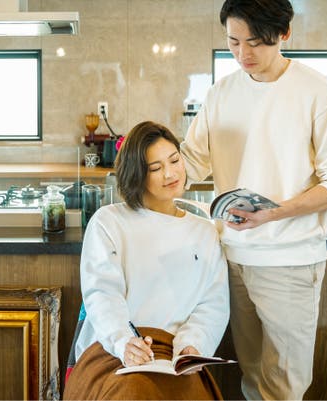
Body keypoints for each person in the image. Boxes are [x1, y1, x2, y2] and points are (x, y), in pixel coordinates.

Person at [180, 0, 327, 400]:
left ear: (284, 34)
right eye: (233, 42)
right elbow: (191, 162)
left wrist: (276, 213)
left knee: (283, 383)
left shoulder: (317, 92)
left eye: (256, 42)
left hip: (290, 260)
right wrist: (152, 165)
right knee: (249, 373)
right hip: (232, 257)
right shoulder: (221, 93)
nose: (243, 54)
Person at [63, 121, 230, 400]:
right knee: (134, 393)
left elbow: (213, 304)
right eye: (155, 168)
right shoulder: (108, 222)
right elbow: (102, 294)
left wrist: (193, 346)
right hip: (114, 353)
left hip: (175, 357)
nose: (170, 173)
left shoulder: (205, 232)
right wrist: (124, 342)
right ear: (137, 174)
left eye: (174, 160)